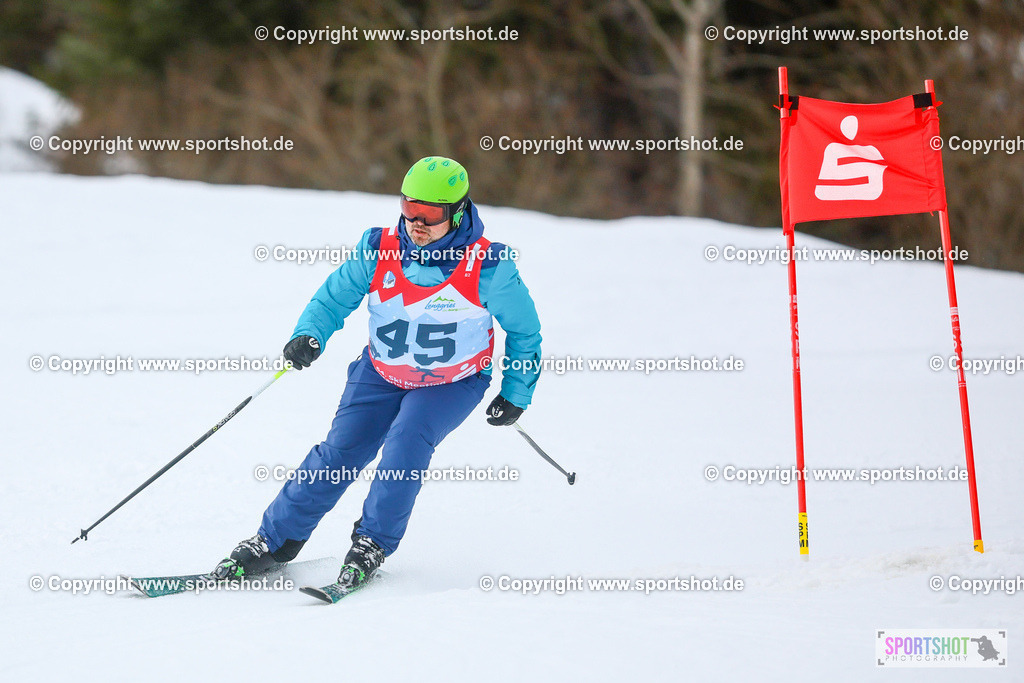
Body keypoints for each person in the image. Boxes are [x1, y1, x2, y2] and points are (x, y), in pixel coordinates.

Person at [212, 156, 542, 589]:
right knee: (340, 451)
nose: (417, 223)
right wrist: (309, 334)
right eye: (409, 208)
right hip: (380, 373)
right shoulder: (378, 248)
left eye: (431, 214)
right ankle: (273, 542)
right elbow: (334, 298)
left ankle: (372, 543)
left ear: (459, 212)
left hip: (451, 383)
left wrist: (515, 392)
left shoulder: (489, 267)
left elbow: (524, 331)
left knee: (407, 441)